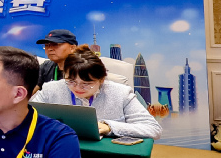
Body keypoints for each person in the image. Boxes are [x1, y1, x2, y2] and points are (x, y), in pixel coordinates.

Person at [31, 46, 162, 138]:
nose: (78, 88)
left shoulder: (121, 93)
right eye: (71, 81)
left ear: (101, 80)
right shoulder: (51, 89)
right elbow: (26, 118)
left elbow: (153, 129)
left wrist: (110, 127)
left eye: (86, 84)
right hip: (60, 151)